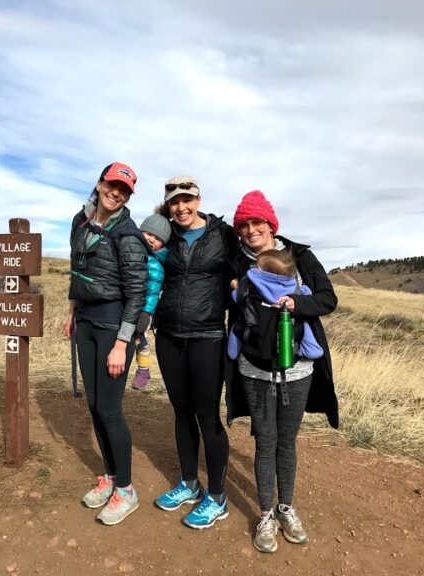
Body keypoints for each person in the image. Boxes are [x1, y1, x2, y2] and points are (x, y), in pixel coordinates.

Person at [225, 189, 338, 553]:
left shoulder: (300, 257)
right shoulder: (236, 260)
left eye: (257, 222)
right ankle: (265, 515)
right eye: (244, 225)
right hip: (253, 368)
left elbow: (328, 299)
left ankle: (286, 507)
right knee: (266, 441)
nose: (251, 230)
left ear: (271, 224)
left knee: (286, 442)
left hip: (298, 370)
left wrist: (296, 303)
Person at [63, 162, 148, 525]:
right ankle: (111, 477)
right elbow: (76, 268)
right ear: (99, 184)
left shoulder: (128, 235)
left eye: (124, 190)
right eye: (112, 184)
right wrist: (70, 311)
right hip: (85, 322)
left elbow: (137, 293)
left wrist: (121, 344)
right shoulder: (79, 222)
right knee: (95, 406)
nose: (116, 192)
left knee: (110, 410)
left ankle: (127, 490)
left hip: (114, 326)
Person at [152, 175, 238, 529]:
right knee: (181, 412)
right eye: (174, 201)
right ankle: (189, 482)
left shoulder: (223, 234)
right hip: (169, 335)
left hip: (207, 337)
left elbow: (246, 266)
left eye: (187, 199)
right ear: (168, 205)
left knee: (207, 416)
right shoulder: (165, 234)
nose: (181, 207)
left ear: (198, 200)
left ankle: (216, 496)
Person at [131, 213, 170, 390]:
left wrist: (146, 312)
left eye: (158, 238)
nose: (152, 239)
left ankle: (143, 369)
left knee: (140, 338)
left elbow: (153, 291)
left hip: (142, 308)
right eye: (148, 234)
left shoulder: (155, 262)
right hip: (128, 303)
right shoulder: (133, 250)